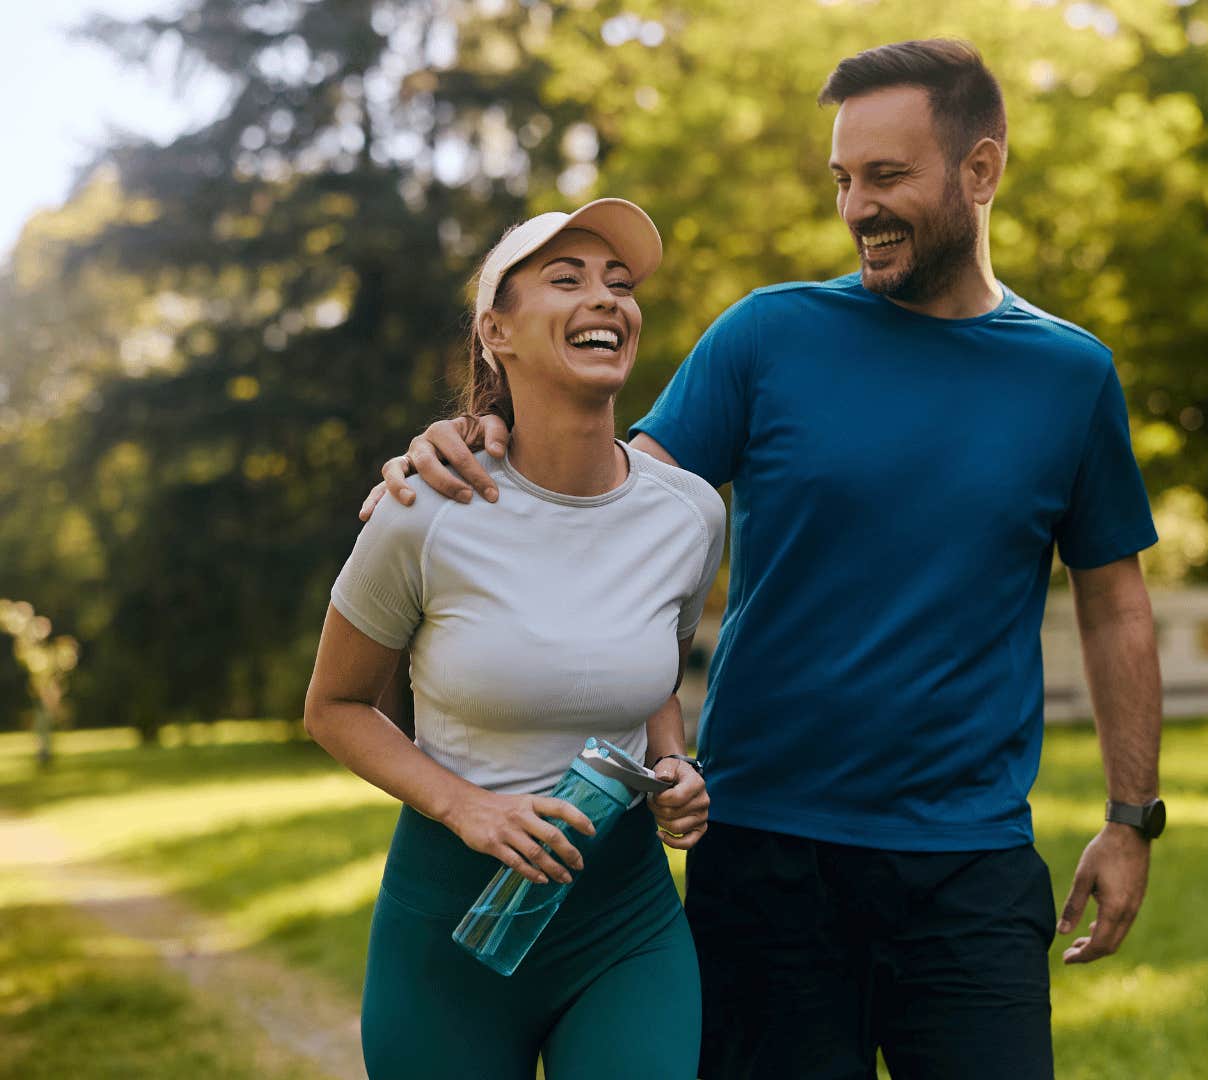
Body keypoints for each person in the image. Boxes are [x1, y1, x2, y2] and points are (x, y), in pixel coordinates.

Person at [362, 40, 1165, 1080]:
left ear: (981, 172)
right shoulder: (768, 337)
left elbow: (1116, 605)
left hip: (969, 866)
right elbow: (596, 500)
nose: (858, 206)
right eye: (844, 179)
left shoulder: (1070, 375)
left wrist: (1130, 817)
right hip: (768, 859)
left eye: (888, 176)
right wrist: (475, 437)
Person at [307, 198, 724, 1079]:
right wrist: (468, 807)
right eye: (566, 280)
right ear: (498, 331)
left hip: (623, 924)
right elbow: (334, 707)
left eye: (620, 284)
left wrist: (673, 765)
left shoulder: (689, 515)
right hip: (449, 924)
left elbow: (644, 664)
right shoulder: (424, 512)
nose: (606, 298)